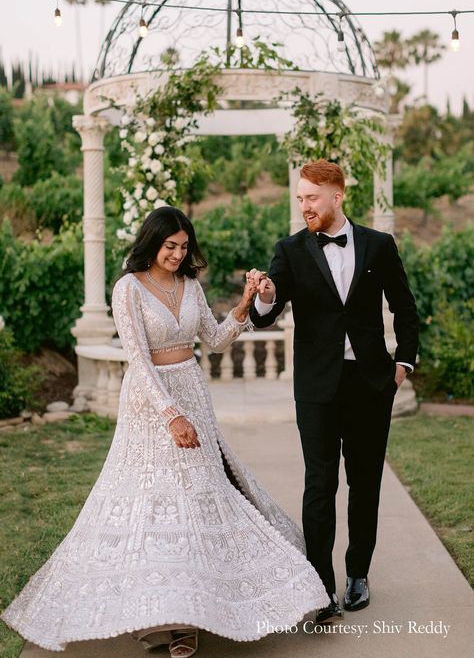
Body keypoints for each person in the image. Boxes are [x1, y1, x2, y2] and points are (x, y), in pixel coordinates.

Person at [2, 206, 329, 655]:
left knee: (197, 498)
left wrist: (244, 304)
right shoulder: (128, 289)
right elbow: (137, 358)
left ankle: (187, 613)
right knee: (153, 502)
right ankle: (161, 614)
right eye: (170, 246)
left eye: (183, 247)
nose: (177, 254)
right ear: (151, 243)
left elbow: (213, 341)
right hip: (150, 404)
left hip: (193, 392)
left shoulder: (191, 285)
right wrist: (170, 414)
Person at [248, 160, 419, 624]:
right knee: (319, 485)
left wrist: (402, 364)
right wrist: (264, 293)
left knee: (365, 484)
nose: (304, 205)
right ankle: (319, 588)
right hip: (317, 388)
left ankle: (358, 575)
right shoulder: (290, 250)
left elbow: (404, 307)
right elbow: (265, 313)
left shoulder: (379, 246)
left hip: (370, 384)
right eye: (300, 198)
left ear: (337, 196)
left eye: (311, 197)